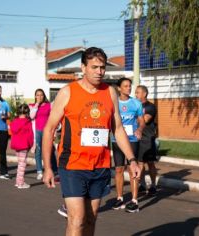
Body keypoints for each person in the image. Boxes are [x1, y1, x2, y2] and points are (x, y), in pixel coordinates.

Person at [42, 47, 141, 236]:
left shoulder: (110, 92)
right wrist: (48, 167)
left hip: (100, 165)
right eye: (94, 67)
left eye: (102, 67)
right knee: (77, 219)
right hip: (73, 165)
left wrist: (132, 159)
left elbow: (118, 128)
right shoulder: (67, 92)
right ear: (83, 68)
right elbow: (49, 129)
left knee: (91, 217)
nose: (99, 72)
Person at [111, 77, 145, 213]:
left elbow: (141, 121)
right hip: (117, 140)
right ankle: (119, 198)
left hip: (132, 140)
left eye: (130, 86)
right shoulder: (114, 103)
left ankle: (134, 200)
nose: (129, 88)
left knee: (132, 168)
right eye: (125, 86)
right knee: (119, 169)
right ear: (119, 88)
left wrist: (139, 129)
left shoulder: (136, 103)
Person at [29, 89, 58, 180]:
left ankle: (55, 170)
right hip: (37, 132)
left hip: (47, 131)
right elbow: (31, 116)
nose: (39, 97)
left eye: (41, 95)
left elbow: (53, 117)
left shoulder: (49, 105)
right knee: (38, 151)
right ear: (35, 96)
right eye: (37, 95)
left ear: (44, 96)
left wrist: (54, 131)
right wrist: (37, 105)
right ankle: (39, 171)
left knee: (50, 150)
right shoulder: (32, 106)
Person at [135, 85, 158, 195]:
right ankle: (143, 185)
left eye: (138, 92)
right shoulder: (135, 106)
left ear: (144, 94)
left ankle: (153, 185)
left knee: (150, 163)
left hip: (147, 139)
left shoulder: (150, 107)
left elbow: (145, 119)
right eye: (135, 92)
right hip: (137, 138)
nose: (135, 94)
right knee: (140, 163)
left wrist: (133, 116)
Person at [10, 104, 34, 189]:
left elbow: (12, 131)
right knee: (22, 164)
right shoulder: (27, 122)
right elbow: (30, 135)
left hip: (16, 145)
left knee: (20, 163)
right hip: (24, 145)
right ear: (27, 112)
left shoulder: (14, 121)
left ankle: (18, 181)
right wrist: (31, 145)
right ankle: (20, 183)